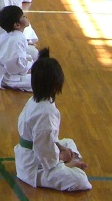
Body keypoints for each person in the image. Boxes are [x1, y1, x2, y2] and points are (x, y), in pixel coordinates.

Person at [14, 51, 92, 191]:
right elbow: (43, 149)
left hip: (28, 154)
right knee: (81, 180)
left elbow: (47, 139)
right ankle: (68, 166)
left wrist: (61, 148)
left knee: (68, 142)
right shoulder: (46, 113)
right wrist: (61, 157)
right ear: (56, 87)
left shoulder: (35, 100)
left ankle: (67, 163)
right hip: (34, 168)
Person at [0, 5, 39, 91]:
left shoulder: (13, 35)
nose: (26, 17)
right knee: (39, 81)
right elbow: (14, 68)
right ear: (17, 25)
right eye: (23, 16)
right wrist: (28, 67)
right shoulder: (16, 40)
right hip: (0, 74)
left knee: (34, 53)